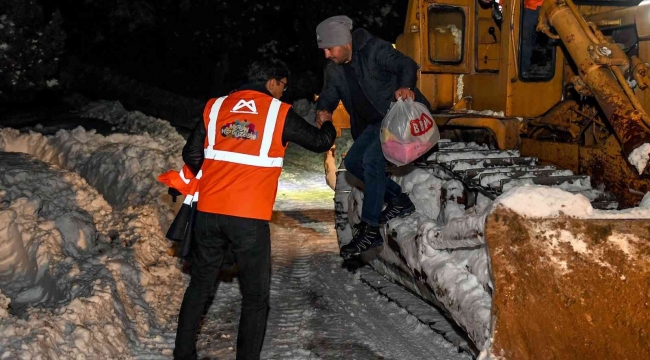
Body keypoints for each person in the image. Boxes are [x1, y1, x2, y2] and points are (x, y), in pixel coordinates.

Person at [173, 58, 336, 360]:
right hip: (248, 219)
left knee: (199, 285)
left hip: (208, 213)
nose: (283, 94)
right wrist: (326, 119)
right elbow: (319, 141)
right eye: (283, 87)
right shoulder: (278, 112)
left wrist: (214, 177)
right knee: (255, 298)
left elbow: (191, 153)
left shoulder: (216, 107)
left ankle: (182, 355)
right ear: (272, 81)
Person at [314, 15, 431, 259]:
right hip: (375, 123)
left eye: (329, 48)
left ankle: (369, 228)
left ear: (345, 42)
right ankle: (398, 199)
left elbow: (406, 64)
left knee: (372, 161)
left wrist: (406, 85)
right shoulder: (334, 69)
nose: (327, 55)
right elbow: (329, 94)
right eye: (323, 50)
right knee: (354, 162)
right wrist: (324, 110)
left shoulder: (373, 49)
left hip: (397, 117)